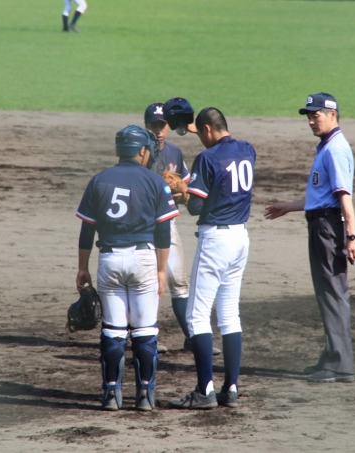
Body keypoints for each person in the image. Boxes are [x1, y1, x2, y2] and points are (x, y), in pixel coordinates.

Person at [75, 125, 179, 411]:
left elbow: (87, 230)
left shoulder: (99, 180)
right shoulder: (155, 181)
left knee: (113, 331)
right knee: (145, 329)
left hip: (109, 260)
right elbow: (163, 232)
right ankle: (145, 395)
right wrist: (161, 270)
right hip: (143, 260)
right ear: (142, 151)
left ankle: (111, 394)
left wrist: (82, 268)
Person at [264, 92, 355, 383]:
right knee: (328, 292)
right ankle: (332, 354)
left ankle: (340, 364)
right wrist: (289, 206)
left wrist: (352, 235)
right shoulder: (328, 147)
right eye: (308, 115)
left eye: (315, 115)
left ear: (332, 114)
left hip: (328, 229)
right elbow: (320, 198)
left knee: (332, 294)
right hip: (322, 225)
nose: (310, 120)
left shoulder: (335, 150)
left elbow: (344, 198)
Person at [169, 107, 256, 409]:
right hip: (240, 239)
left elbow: (195, 207)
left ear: (206, 129)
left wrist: (183, 192)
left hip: (216, 241)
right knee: (229, 314)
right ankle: (230, 389)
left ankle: (204, 390)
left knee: (197, 316)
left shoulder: (207, 158)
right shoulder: (248, 150)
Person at [143, 103, 221, 356]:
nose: (158, 131)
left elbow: (186, 188)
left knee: (179, 282)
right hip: (142, 228)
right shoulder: (138, 151)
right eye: (154, 125)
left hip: (167, 225)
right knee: (148, 281)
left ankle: (192, 336)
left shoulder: (174, 152)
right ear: (146, 126)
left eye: (162, 125)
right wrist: (167, 191)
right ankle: (147, 337)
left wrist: (184, 193)